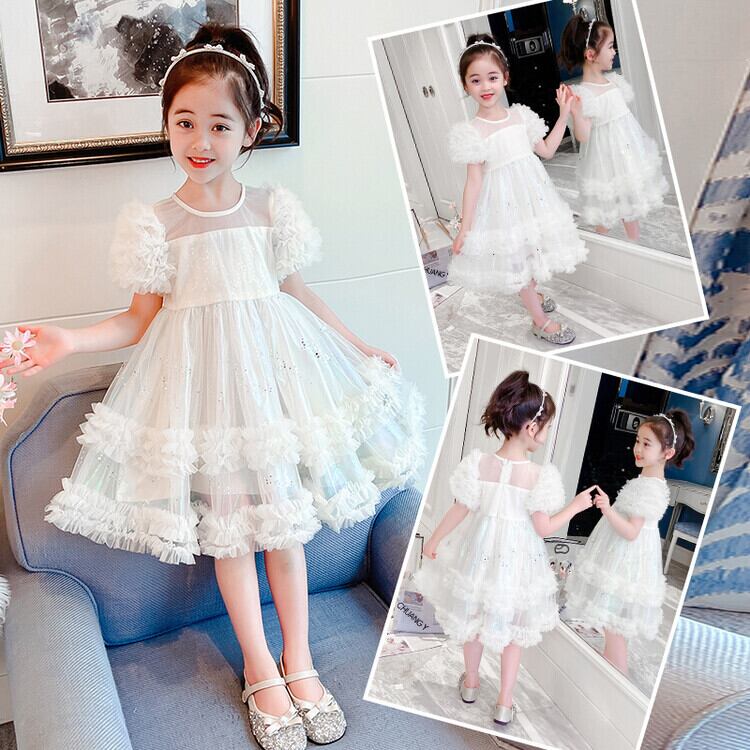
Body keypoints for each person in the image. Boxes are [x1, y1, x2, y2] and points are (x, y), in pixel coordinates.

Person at [1, 24, 425, 750]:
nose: (200, 140)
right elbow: (138, 320)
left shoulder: (271, 210)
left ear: (250, 130)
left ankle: (299, 660)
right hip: (204, 402)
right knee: (231, 535)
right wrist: (69, 340)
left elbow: (297, 292)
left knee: (285, 531)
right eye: (184, 122)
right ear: (166, 125)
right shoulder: (155, 225)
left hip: (272, 392)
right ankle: (259, 668)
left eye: (220, 125)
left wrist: (358, 347)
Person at [414, 371, 594, 724]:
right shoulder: (539, 476)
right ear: (531, 427)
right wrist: (574, 507)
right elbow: (543, 528)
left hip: (478, 554)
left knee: (473, 618)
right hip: (519, 560)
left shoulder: (479, 464)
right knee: (514, 628)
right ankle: (504, 702)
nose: (545, 435)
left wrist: (434, 539)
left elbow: (460, 508)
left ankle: (470, 683)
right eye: (546, 428)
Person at [448, 34, 588, 345]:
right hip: (502, 203)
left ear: (505, 78)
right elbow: (474, 182)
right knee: (519, 259)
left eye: (492, 77)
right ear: (465, 85)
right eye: (475, 80)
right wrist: (465, 229)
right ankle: (540, 321)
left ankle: (532, 293)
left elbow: (547, 150)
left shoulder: (522, 116)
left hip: (532, 197)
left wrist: (564, 114)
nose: (485, 86)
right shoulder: (471, 131)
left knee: (532, 248)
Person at [565, 411, 695, 674]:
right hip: (624, 556)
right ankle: (610, 666)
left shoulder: (650, 486)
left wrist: (607, 508)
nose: (637, 449)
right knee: (612, 626)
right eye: (637, 441)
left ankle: (616, 673)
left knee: (614, 625)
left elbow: (631, 532)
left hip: (627, 560)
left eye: (646, 444)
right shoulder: (645, 481)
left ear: (667, 453)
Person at [561, 15, 668, 241]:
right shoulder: (584, 94)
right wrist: (576, 112)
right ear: (591, 55)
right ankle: (602, 244)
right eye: (610, 47)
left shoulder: (615, 82)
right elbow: (583, 136)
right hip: (604, 162)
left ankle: (634, 242)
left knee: (630, 203)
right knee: (607, 211)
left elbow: (625, 124)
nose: (614, 51)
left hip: (626, 156)